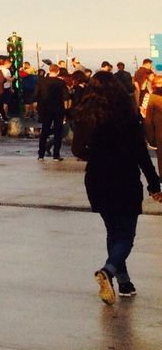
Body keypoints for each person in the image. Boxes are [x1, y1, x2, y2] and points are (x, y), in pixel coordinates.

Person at [73, 72, 162, 304]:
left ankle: (123, 282)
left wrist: (97, 155)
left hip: (97, 179)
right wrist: (154, 184)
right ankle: (108, 270)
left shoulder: (85, 115)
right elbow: (141, 155)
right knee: (126, 236)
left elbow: (77, 150)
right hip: (125, 178)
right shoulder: (127, 116)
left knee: (113, 231)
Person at [36, 65, 69, 161]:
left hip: (46, 109)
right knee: (58, 132)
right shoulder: (61, 82)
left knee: (44, 132)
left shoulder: (41, 81)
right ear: (58, 71)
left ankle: (41, 155)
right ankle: (56, 155)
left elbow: (36, 94)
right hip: (58, 109)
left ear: (49, 71)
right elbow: (66, 97)